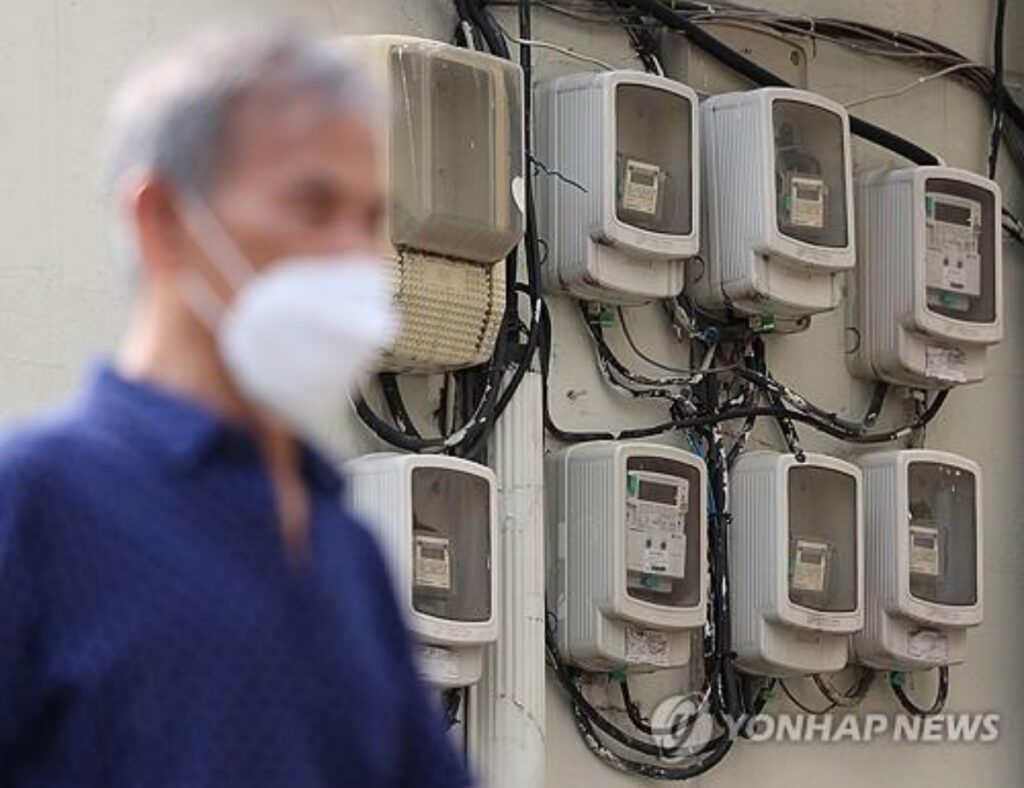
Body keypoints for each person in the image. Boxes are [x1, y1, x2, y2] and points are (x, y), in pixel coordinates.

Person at [0, 26, 473, 788]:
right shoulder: (34, 502)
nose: (356, 256)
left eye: (370, 218)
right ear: (164, 222)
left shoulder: (342, 546)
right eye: (313, 206)